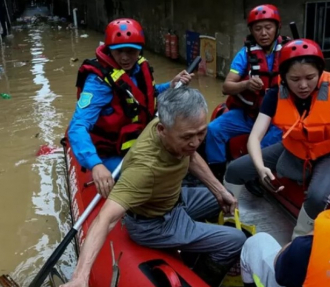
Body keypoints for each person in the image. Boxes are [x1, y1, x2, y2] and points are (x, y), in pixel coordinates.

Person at [62, 87, 246, 287]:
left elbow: (190, 155)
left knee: (221, 197)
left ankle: (194, 245)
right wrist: (80, 277)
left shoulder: (172, 129)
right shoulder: (144, 169)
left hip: (173, 198)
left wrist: (219, 191)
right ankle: (200, 278)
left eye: (201, 133)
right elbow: (105, 219)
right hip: (154, 223)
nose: (196, 142)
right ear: (162, 131)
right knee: (236, 239)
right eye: (187, 137)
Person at [224, 38, 330, 239]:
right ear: (284, 76)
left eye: (310, 77)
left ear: (320, 73)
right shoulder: (276, 94)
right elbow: (255, 137)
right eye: (295, 79)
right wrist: (260, 169)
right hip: (292, 147)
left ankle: (298, 237)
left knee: (316, 197)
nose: (303, 85)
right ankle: (228, 219)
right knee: (234, 170)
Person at [68, 18, 193, 198]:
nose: (125, 57)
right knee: (143, 180)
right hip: (112, 153)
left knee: (182, 153)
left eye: (131, 51)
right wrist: (95, 165)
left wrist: (170, 85)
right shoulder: (98, 82)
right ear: (110, 50)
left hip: (140, 140)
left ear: (139, 50)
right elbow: (77, 126)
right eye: (119, 52)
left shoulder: (139, 67)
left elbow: (144, 97)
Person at [239, 149, 330, 287]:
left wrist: (319, 231)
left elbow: (281, 272)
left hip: (290, 270)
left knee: (256, 242)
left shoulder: (309, 245)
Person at [204, 4, 290, 183]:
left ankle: (256, 178)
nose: (264, 33)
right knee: (213, 130)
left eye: (268, 27)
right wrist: (246, 84)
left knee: (267, 147)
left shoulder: (289, 52)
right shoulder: (245, 54)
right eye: (258, 29)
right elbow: (226, 87)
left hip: (277, 118)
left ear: (277, 28)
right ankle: (218, 176)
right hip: (248, 114)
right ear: (251, 31)